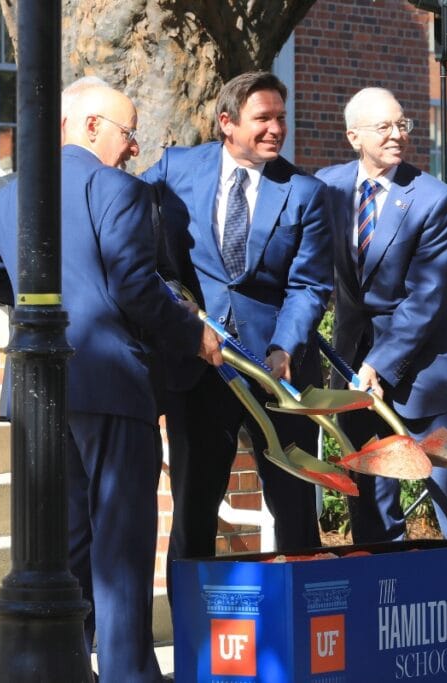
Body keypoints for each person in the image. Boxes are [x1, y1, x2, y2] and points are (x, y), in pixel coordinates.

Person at [0, 77, 221, 683]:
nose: (133, 148)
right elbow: (136, 288)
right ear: (91, 125)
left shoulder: (11, 193)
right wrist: (192, 331)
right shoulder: (117, 190)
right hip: (113, 389)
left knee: (62, 544)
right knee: (119, 549)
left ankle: (68, 665)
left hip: (37, 396)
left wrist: (35, 301)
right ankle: (128, 675)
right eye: (128, 133)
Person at [142, 71, 333, 562]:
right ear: (226, 122)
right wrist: (173, 302)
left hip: (278, 376)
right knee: (193, 509)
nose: (276, 129)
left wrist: (285, 347)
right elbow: (127, 222)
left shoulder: (304, 192)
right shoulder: (176, 169)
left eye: (281, 119)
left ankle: (304, 623)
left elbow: (309, 284)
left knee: (294, 512)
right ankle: (193, 631)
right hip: (201, 371)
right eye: (263, 119)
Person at [316, 87, 447, 544]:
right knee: (371, 506)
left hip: (426, 379)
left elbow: (426, 298)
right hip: (355, 374)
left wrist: (378, 363)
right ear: (353, 136)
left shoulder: (434, 200)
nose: (397, 135)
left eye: (403, 125)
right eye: (384, 127)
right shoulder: (327, 188)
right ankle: (383, 601)